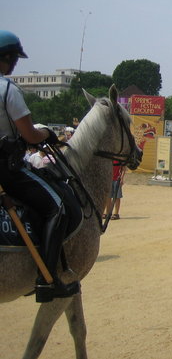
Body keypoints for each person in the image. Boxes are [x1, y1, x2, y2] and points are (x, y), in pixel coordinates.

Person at [0, 30, 79, 302]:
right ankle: (47, 279)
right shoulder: (8, 90)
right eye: (14, 60)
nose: (15, 65)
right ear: (7, 59)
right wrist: (46, 134)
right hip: (6, 170)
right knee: (57, 206)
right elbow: (30, 136)